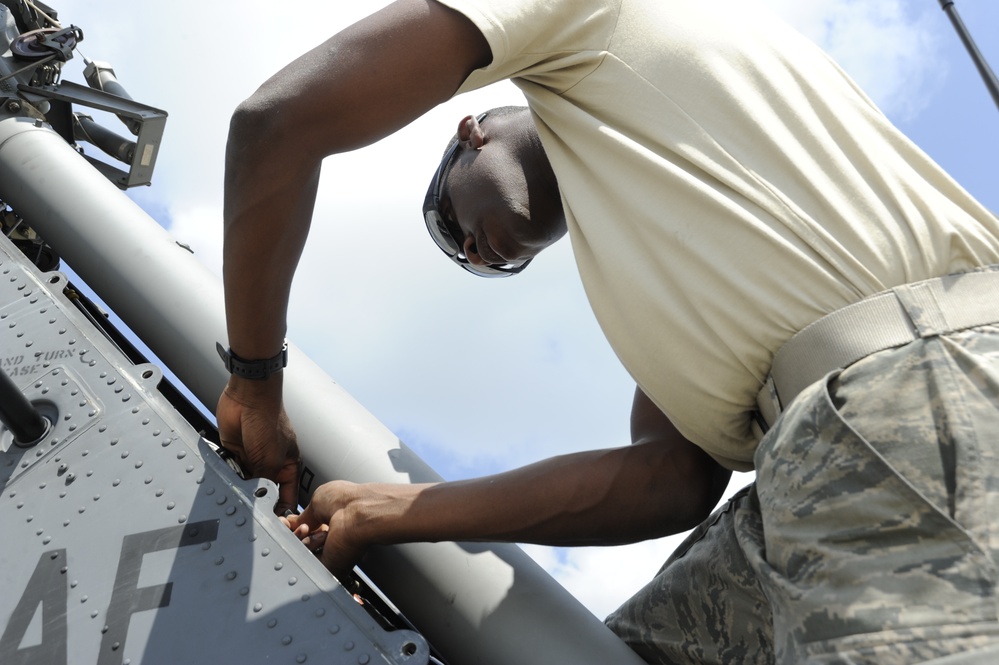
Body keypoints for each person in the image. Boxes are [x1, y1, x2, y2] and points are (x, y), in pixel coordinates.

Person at [215, 0, 999, 662]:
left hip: (910, 389)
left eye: (450, 217)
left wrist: (255, 380)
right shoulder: (660, 245)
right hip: (805, 462)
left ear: (470, 136)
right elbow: (669, 479)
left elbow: (275, 124)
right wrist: (386, 510)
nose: (467, 248)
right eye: (465, 259)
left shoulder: (595, 19)